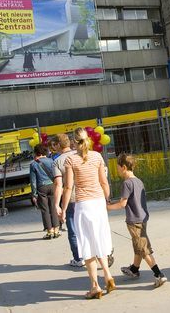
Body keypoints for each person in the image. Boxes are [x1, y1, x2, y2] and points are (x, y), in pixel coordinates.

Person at [60, 127, 115, 300]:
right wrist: (106, 198)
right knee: (99, 239)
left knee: (87, 244)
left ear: (74, 142)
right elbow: (104, 182)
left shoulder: (71, 160)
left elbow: (68, 187)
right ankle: (107, 275)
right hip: (98, 202)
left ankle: (94, 286)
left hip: (83, 204)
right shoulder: (97, 156)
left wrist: (62, 208)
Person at [107, 153, 167, 287]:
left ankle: (159, 274)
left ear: (123, 167)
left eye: (117, 167)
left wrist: (108, 207)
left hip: (134, 221)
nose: (116, 169)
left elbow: (123, 204)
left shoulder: (127, 183)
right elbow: (130, 200)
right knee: (138, 245)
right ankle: (134, 269)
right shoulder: (138, 181)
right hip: (143, 217)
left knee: (143, 248)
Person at [53, 133, 83, 267]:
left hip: (71, 199)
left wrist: (57, 205)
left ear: (58, 145)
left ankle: (78, 258)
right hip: (87, 195)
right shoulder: (81, 154)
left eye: (54, 145)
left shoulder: (58, 161)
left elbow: (59, 185)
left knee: (73, 229)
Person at [30, 143, 61, 239]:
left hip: (42, 188)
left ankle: (49, 231)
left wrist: (34, 194)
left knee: (45, 210)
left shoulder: (33, 164)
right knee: (53, 207)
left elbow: (33, 181)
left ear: (36, 152)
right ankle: (56, 230)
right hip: (52, 185)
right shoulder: (51, 160)